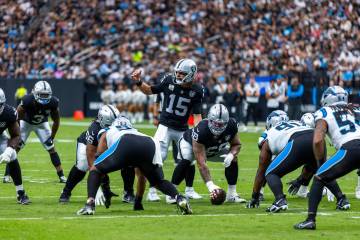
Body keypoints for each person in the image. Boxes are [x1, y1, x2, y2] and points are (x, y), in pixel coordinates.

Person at [76, 116, 192, 215]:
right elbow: (141, 177)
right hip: (149, 142)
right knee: (158, 181)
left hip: (125, 142)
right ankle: (179, 198)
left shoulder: (108, 130)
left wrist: (105, 187)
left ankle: (89, 204)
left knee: (95, 169)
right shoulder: (135, 130)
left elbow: (98, 161)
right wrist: (138, 202)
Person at [246, 110, 348, 212]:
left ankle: (280, 200)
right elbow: (310, 166)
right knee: (323, 170)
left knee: (270, 173)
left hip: (297, 140)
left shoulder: (268, 136)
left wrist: (255, 196)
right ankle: (342, 199)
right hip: (316, 137)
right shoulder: (295, 123)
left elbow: (261, 170)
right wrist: (300, 180)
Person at [131, 59, 203, 201]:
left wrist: (197, 132)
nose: (178, 76)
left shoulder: (197, 90)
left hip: (182, 128)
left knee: (189, 159)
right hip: (165, 126)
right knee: (157, 157)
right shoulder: (169, 80)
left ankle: (189, 189)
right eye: (177, 73)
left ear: (191, 74)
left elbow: (197, 115)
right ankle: (152, 191)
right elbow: (150, 90)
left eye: (182, 74)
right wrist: (139, 82)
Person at [295, 86, 360, 230]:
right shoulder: (356, 108)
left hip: (351, 148)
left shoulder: (324, 111)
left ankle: (310, 220)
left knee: (319, 177)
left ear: (328, 98)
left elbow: (318, 140)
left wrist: (320, 162)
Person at [169, 104, 246, 203]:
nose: (218, 127)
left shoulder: (232, 125)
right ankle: (171, 193)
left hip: (213, 149)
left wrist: (231, 155)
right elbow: (201, 164)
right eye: (215, 123)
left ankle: (232, 194)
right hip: (189, 145)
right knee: (188, 159)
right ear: (209, 119)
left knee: (234, 159)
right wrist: (211, 186)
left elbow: (236, 144)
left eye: (221, 124)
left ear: (226, 122)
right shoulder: (201, 130)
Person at [59, 105, 135, 204]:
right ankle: (66, 192)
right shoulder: (94, 129)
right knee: (82, 166)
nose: (113, 126)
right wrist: (97, 187)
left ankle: (128, 193)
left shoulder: (123, 122)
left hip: (109, 145)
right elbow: (91, 155)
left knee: (128, 162)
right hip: (89, 145)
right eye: (110, 124)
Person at [8, 81, 66, 182]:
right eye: (41, 94)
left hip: (42, 125)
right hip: (26, 124)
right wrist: (17, 135)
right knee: (16, 148)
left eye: (46, 95)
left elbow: (56, 121)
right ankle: (7, 175)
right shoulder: (27, 100)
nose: (44, 97)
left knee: (51, 148)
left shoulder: (53, 102)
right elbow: (16, 119)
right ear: (35, 93)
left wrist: (52, 137)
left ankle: (61, 175)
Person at [0, 88, 30, 204]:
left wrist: (9, 149)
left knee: (12, 157)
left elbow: (16, 135)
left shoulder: (9, 112)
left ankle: (20, 193)